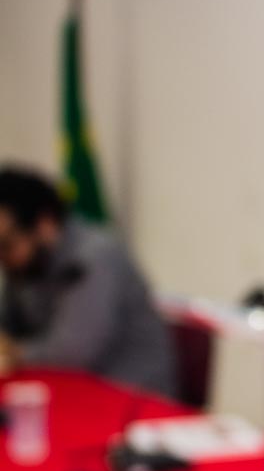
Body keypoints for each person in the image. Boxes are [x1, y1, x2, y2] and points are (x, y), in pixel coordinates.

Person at [0, 166, 177, 398]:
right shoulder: (26, 267)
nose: (3, 257)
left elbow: (72, 353)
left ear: (45, 224)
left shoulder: (94, 258)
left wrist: (14, 352)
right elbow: (7, 326)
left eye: (6, 244)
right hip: (71, 390)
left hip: (133, 397)